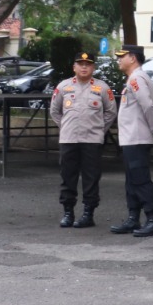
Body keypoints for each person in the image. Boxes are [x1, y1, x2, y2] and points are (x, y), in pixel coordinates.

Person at [49, 50, 116, 229]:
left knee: (91, 177)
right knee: (67, 176)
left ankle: (88, 213)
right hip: (69, 139)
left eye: (88, 64)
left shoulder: (102, 88)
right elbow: (54, 111)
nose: (84, 67)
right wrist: (65, 126)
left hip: (92, 139)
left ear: (93, 67)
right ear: (74, 67)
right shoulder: (63, 87)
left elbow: (110, 112)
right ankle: (68, 212)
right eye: (80, 64)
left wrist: (99, 129)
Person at [109, 45, 153, 238]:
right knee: (132, 180)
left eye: (121, 57)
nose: (118, 60)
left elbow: (148, 105)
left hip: (138, 138)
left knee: (140, 180)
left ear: (132, 58)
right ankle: (133, 217)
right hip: (131, 138)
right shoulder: (133, 78)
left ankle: (151, 220)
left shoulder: (137, 78)